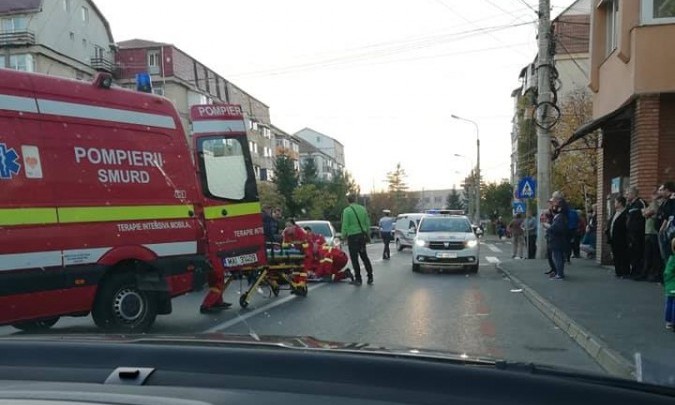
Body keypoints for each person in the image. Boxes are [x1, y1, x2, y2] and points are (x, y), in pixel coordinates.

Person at [341, 195, 374, 286]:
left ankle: (358, 279)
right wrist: (368, 234)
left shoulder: (346, 211)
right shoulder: (363, 209)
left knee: (354, 259)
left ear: (348, 201)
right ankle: (370, 276)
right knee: (364, 257)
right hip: (362, 236)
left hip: (352, 236)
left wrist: (343, 236)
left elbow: (345, 225)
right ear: (355, 200)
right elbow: (367, 223)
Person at [637, 188, 663, 282]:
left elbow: (649, 213)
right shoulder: (651, 204)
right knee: (647, 254)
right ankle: (646, 273)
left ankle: (655, 274)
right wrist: (646, 213)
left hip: (653, 232)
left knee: (655, 254)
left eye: (654, 194)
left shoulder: (657, 204)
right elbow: (644, 213)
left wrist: (646, 213)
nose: (652, 196)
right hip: (647, 231)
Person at [625, 186, 647, 279]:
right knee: (632, 253)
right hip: (631, 233)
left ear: (633, 194)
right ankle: (633, 271)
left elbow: (645, 215)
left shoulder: (640, 203)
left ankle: (639, 273)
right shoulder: (630, 205)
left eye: (628, 194)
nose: (626, 196)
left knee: (639, 252)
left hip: (639, 233)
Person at [606, 196, 630, 278]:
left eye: (615, 202)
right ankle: (618, 271)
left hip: (622, 238)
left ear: (620, 203)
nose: (614, 204)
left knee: (623, 255)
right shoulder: (615, 212)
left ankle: (624, 272)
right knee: (616, 255)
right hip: (613, 238)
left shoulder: (625, 213)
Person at [546, 199, 568, 280]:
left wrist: (549, 227)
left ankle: (559, 274)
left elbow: (557, 229)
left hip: (557, 241)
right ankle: (558, 273)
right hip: (557, 240)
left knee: (558, 257)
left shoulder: (559, 218)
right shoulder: (559, 217)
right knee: (557, 257)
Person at [656, 181, 675, 264]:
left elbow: (668, 217)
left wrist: (662, 229)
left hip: (668, 232)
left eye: (662, 190)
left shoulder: (672, 201)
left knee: (668, 254)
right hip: (665, 231)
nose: (660, 192)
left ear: (667, 190)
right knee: (665, 255)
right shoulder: (666, 201)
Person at [664, 238, 675, 331]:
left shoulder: (671, 258)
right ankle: (673, 321)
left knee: (669, 302)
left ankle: (668, 321)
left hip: (669, 284)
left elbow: (667, 272)